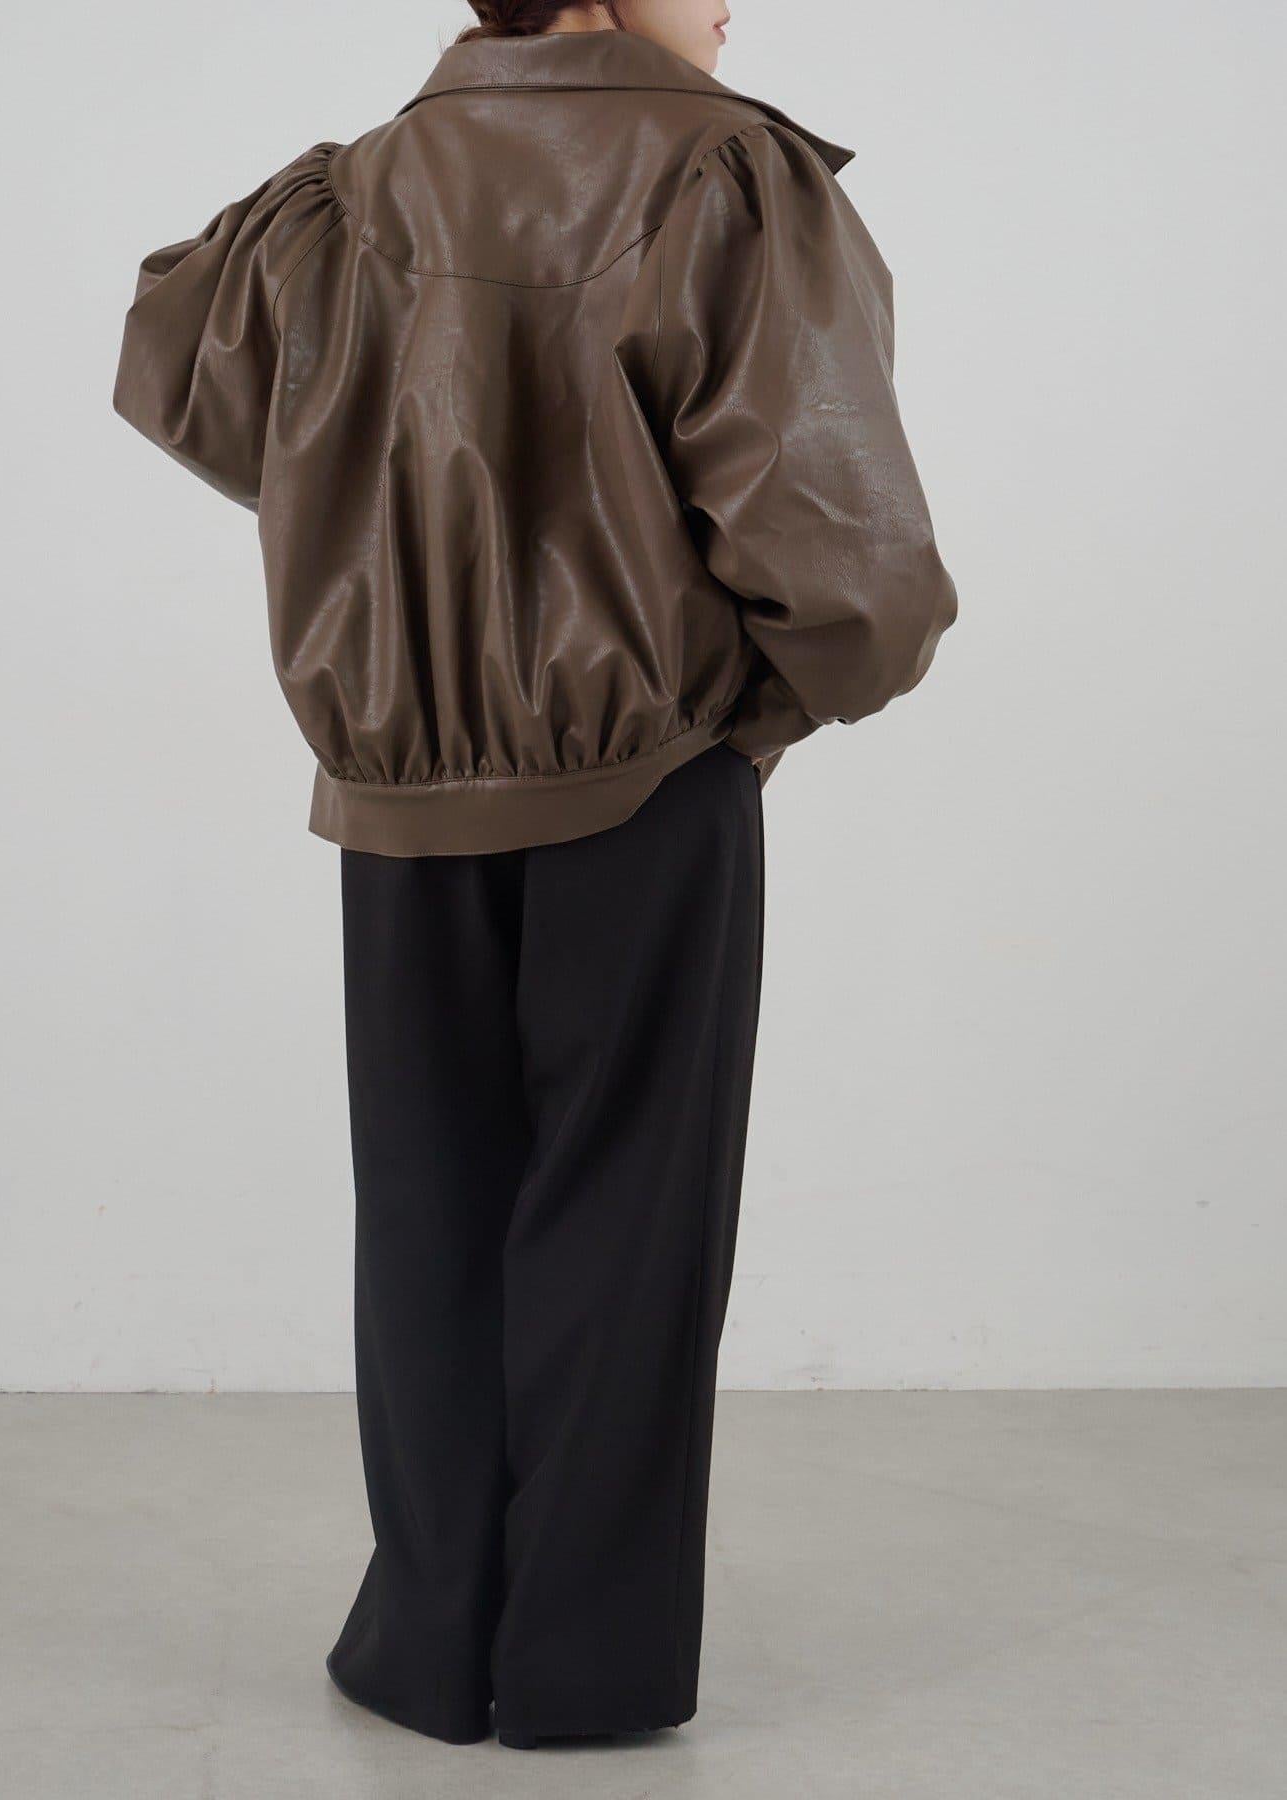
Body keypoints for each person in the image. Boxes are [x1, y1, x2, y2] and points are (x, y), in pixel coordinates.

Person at [113, 0, 956, 1753]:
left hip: (396, 788)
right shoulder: (720, 174)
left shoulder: (352, 190)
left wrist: (379, 516)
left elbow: (173, 360)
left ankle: (428, 1644)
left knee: (429, 1213)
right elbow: (853, 569)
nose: (731, 1)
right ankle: (583, 1668)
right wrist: (757, 714)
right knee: (626, 1229)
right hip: (645, 784)